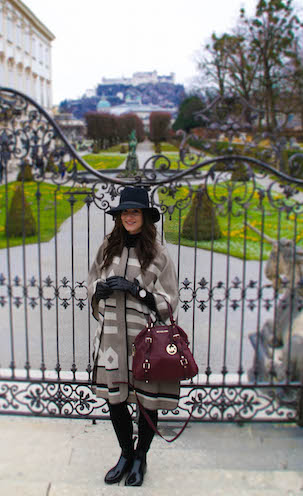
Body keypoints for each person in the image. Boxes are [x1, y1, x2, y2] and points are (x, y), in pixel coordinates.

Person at [87, 186, 179, 486]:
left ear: (144, 217)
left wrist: (138, 291)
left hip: (145, 342)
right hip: (112, 339)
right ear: (119, 217)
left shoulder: (157, 253)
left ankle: (141, 457)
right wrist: (98, 291)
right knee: (115, 401)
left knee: (146, 403)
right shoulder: (107, 247)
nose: (129, 216)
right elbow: (91, 282)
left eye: (134, 212)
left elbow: (169, 299)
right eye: (125, 212)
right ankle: (125, 453)